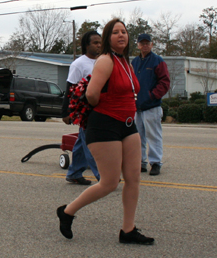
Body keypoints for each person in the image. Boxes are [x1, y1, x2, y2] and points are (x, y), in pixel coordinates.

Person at [56, 19, 155, 245]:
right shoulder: (106, 61)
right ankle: (67, 212)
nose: (121, 35)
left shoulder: (126, 64)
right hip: (105, 125)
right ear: (108, 38)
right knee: (110, 183)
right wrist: (109, 106)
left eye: (124, 32)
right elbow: (92, 94)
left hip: (128, 125)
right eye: (115, 32)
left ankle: (127, 230)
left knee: (133, 179)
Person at [61, 30, 102, 185]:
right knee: (92, 143)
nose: (99, 45)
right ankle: (103, 176)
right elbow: (70, 87)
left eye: (100, 42)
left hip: (100, 108)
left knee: (82, 142)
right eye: (95, 43)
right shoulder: (78, 64)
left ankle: (74, 173)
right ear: (86, 45)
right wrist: (66, 112)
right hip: (85, 110)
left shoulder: (102, 61)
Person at [131, 33, 170, 176]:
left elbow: (164, 83)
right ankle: (141, 162)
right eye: (142, 43)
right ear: (138, 45)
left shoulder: (157, 61)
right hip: (136, 107)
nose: (145, 45)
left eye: (147, 43)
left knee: (153, 136)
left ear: (152, 44)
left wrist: (151, 96)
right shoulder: (134, 62)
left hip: (152, 107)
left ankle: (155, 163)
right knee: (137, 136)